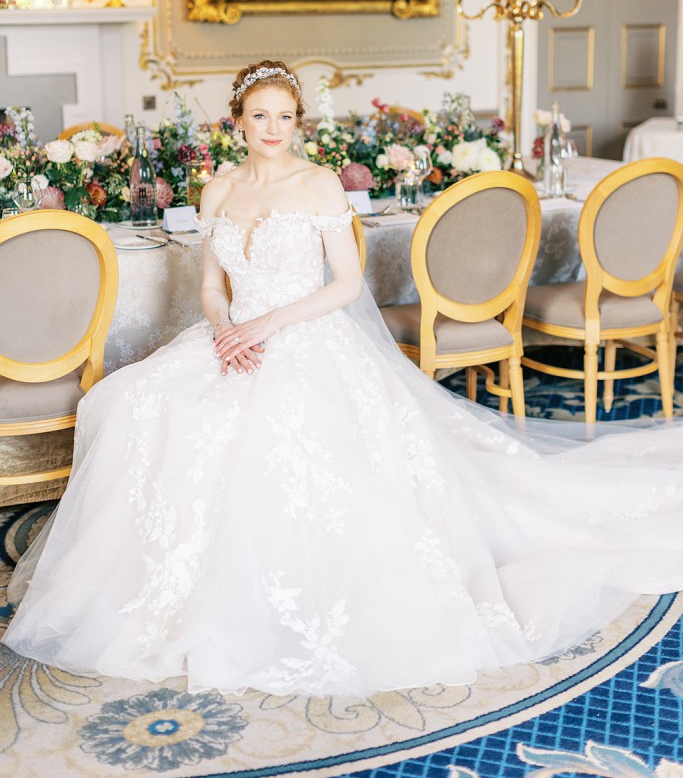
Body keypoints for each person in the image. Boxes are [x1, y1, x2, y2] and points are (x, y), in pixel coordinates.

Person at [4, 60, 683, 697]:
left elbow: (347, 284)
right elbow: (211, 284)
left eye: (285, 117)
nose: (272, 129)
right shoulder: (217, 188)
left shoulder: (319, 184)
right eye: (259, 116)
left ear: (298, 123)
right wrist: (223, 329)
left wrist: (265, 327)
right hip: (230, 338)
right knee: (135, 400)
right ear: (237, 121)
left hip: (303, 336)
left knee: (280, 438)